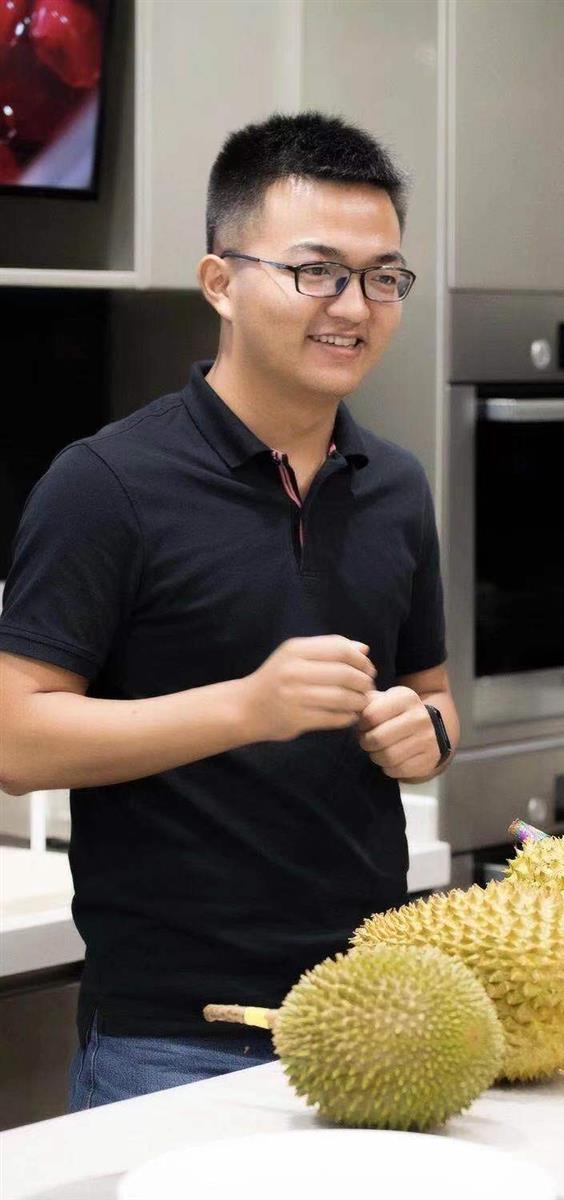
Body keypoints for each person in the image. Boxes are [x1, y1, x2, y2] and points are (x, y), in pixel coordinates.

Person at [0, 111, 459, 1109]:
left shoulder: (394, 484)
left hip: (379, 1012)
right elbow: (15, 740)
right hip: (174, 1040)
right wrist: (246, 708)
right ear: (220, 282)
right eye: (316, 271)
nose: (354, 307)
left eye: (383, 277)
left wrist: (423, 734)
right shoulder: (106, 485)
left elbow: (432, 695)